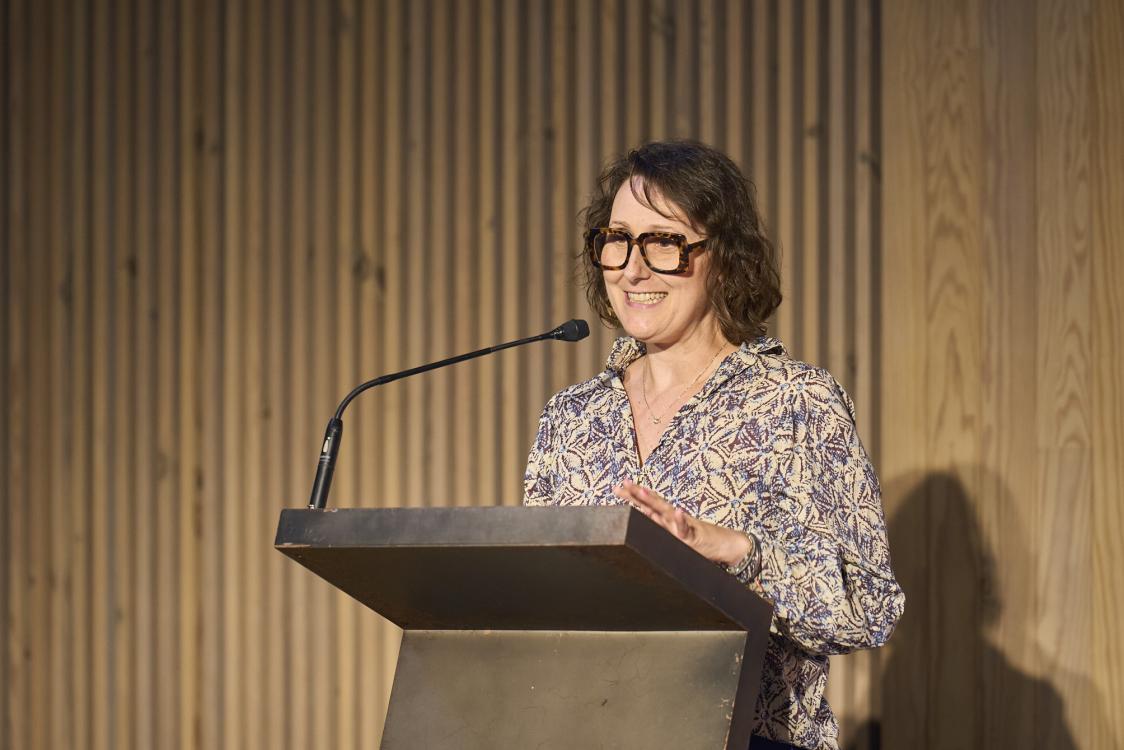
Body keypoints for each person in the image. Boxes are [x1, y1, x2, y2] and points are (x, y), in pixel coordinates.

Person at [522, 140, 904, 750]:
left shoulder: (793, 402)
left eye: (663, 243)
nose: (632, 269)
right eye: (617, 239)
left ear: (723, 258)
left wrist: (738, 553)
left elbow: (867, 608)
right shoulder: (572, 418)